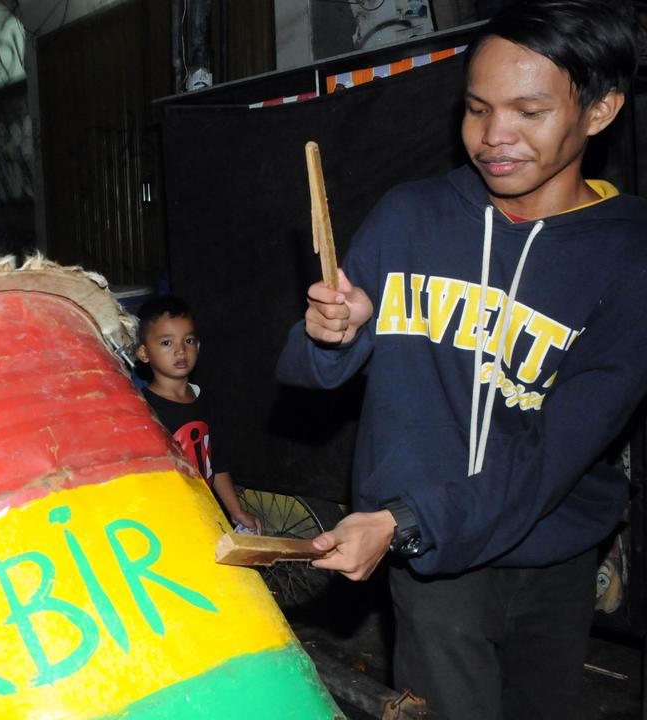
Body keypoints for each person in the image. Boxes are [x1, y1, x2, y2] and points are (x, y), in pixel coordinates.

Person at [275, 2, 646, 718]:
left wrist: (404, 520)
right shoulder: (410, 216)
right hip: (430, 560)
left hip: (553, 547)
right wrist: (333, 335)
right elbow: (309, 371)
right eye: (477, 109)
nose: (493, 137)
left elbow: (559, 448)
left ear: (599, 113)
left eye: (528, 111)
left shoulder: (629, 258)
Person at [135, 296, 261, 532]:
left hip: (208, 514)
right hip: (167, 522)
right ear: (144, 353)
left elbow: (217, 463)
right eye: (166, 343)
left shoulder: (206, 400)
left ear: (198, 346)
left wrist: (236, 511)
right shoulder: (141, 409)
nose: (181, 350)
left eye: (189, 340)